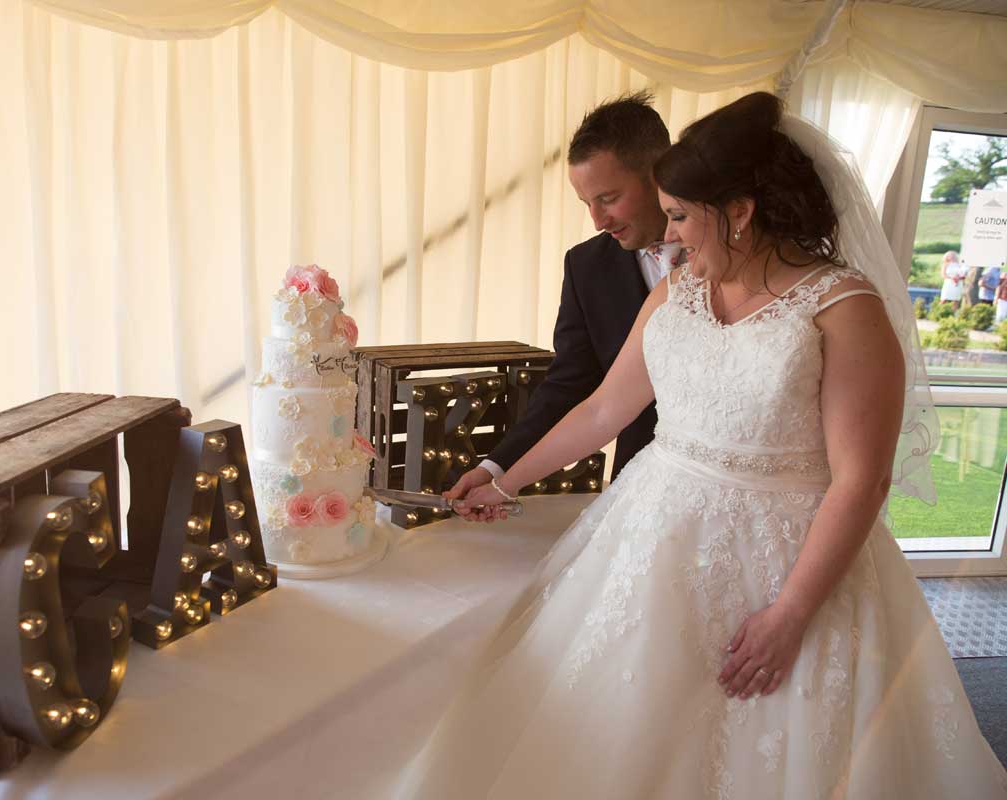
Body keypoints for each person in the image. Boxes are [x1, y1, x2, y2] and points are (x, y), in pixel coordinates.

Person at [396, 92, 1007, 798]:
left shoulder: (844, 309)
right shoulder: (678, 293)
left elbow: (861, 481)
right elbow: (600, 410)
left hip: (788, 558)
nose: (673, 237)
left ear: (739, 212)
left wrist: (791, 614)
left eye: (683, 216)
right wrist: (502, 480)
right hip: (653, 535)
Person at [445, 91, 679, 509]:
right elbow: (570, 385)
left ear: (660, 174)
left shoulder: (741, 259)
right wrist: (496, 469)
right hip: (639, 483)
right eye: (587, 203)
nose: (598, 220)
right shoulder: (586, 266)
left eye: (608, 198)